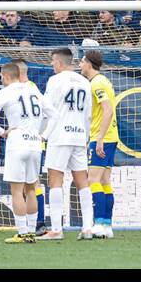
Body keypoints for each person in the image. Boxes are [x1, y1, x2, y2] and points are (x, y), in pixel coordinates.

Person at [0, 59, 45, 243]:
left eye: (2, 77)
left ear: (7, 76)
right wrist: (42, 133)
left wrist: (2, 132)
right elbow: (52, 114)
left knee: (17, 191)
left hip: (17, 143)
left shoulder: (5, 92)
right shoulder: (34, 91)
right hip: (35, 144)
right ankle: (32, 232)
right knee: (32, 189)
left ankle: (22, 233)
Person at [36, 46, 95, 240]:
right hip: (79, 136)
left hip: (59, 136)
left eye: (53, 61)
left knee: (55, 181)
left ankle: (56, 229)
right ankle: (87, 228)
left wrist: (41, 134)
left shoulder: (55, 80)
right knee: (82, 182)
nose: (52, 65)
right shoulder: (85, 82)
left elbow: (47, 110)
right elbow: (88, 114)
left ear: (59, 62)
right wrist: (85, 137)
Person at [80, 47, 117, 238]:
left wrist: (99, 138)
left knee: (92, 180)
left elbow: (108, 110)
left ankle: (100, 223)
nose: (80, 65)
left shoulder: (97, 83)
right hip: (110, 136)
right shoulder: (102, 81)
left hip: (102, 137)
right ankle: (108, 225)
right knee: (104, 181)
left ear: (88, 63)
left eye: (81, 61)